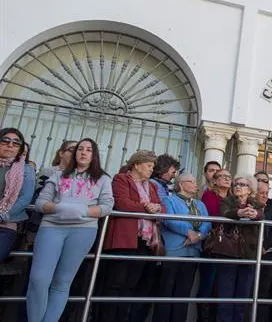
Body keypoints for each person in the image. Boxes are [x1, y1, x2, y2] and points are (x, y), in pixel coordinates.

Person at [26, 137, 113, 322]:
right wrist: (59, 208)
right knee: (38, 279)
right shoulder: (58, 175)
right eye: (80, 148)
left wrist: (82, 210)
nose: (83, 152)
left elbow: (107, 206)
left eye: (89, 150)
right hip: (51, 227)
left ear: (94, 155)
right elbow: (41, 203)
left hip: (83, 230)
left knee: (62, 283)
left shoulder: (103, 179)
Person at [99, 150, 162, 322]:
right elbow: (122, 203)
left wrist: (154, 208)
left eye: (153, 167)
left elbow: (162, 208)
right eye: (149, 166)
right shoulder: (121, 179)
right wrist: (148, 208)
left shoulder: (153, 186)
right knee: (115, 284)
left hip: (144, 241)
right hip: (124, 238)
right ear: (136, 164)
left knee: (131, 286)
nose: (151, 170)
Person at [154, 173, 211, 322]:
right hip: (173, 251)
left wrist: (198, 236)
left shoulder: (200, 204)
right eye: (190, 182)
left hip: (193, 252)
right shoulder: (169, 200)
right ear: (180, 184)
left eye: (195, 181)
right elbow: (169, 220)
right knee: (166, 291)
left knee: (183, 293)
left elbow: (208, 223)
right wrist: (188, 232)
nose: (195, 184)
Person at [218, 176, 264, 322]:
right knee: (225, 293)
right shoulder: (228, 201)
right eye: (236, 184)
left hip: (249, 253)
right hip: (229, 252)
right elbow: (224, 213)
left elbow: (263, 215)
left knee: (243, 294)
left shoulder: (255, 204)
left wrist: (255, 214)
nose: (238, 186)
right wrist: (239, 213)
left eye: (242, 184)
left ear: (249, 189)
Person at [198, 168, 232, 322]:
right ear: (215, 180)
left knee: (223, 285)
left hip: (230, 245)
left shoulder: (233, 198)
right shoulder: (209, 195)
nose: (226, 179)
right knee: (208, 282)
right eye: (222, 176)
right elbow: (214, 217)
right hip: (213, 244)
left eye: (229, 177)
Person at [0, 128, 35, 262]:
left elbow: (25, 198)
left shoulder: (26, 170)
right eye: (5, 141)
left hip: (5, 226)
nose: (10, 145)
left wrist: (3, 214)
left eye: (16, 143)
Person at [256, 178, 272, 322]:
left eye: (267, 192)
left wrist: (265, 247)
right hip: (251, 254)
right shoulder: (249, 207)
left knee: (264, 293)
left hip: (268, 254)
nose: (265, 195)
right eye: (262, 192)